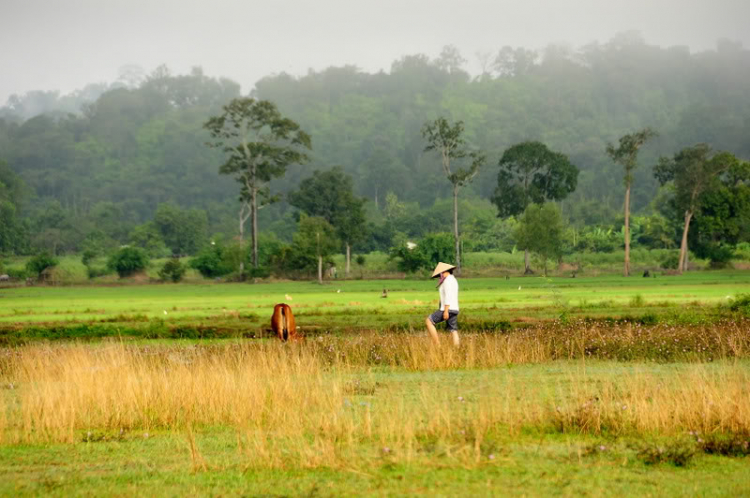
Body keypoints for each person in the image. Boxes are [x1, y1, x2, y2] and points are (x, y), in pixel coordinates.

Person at [426, 262, 460, 346]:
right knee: (453, 330)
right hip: (455, 308)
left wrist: (446, 311)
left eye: (440, 274)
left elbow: (448, 296)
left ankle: (437, 345)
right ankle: (457, 348)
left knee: (429, 321)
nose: (440, 276)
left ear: (444, 272)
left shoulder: (447, 281)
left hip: (448, 308)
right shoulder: (453, 279)